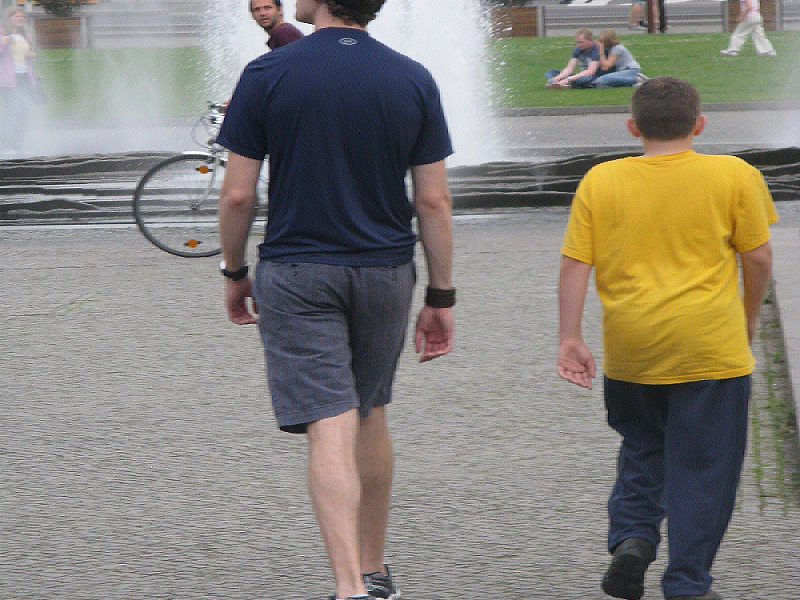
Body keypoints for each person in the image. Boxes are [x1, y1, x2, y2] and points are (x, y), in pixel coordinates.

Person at [216, 1, 455, 599]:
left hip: (298, 269)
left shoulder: (268, 73)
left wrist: (234, 270)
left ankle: (349, 589)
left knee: (329, 423)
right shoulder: (411, 76)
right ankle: (374, 571)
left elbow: (238, 197)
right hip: (385, 269)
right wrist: (441, 294)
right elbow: (433, 201)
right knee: (370, 412)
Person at [557, 77, 777, 600]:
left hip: (632, 348)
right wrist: (747, 318)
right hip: (709, 347)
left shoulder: (600, 180)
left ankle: (633, 538)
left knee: (642, 446)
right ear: (700, 124)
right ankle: (686, 582)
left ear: (633, 128)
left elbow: (574, 265)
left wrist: (570, 337)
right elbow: (759, 257)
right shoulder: (734, 175)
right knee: (706, 466)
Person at [0, 6, 37, 156]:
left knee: (23, 111)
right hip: (8, 79)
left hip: (24, 78)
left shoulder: (24, 35)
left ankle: (19, 145)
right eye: (16, 16)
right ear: (8, 18)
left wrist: (30, 54)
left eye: (22, 16)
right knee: (12, 111)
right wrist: (5, 42)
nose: (20, 18)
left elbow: (23, 54)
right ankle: (6, 146)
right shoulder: (3, 32)